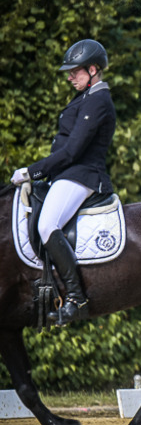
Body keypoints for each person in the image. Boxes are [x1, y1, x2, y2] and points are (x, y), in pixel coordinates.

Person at [10, 39, 117, 325]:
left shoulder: (98, 100)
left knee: (47, 224)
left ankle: (76, 298)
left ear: (93, 69)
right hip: (67, 175)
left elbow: (72, 152)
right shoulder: (85, 97)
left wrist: (31, 171)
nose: (69, 77)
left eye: (75, 71)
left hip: (82, 176)